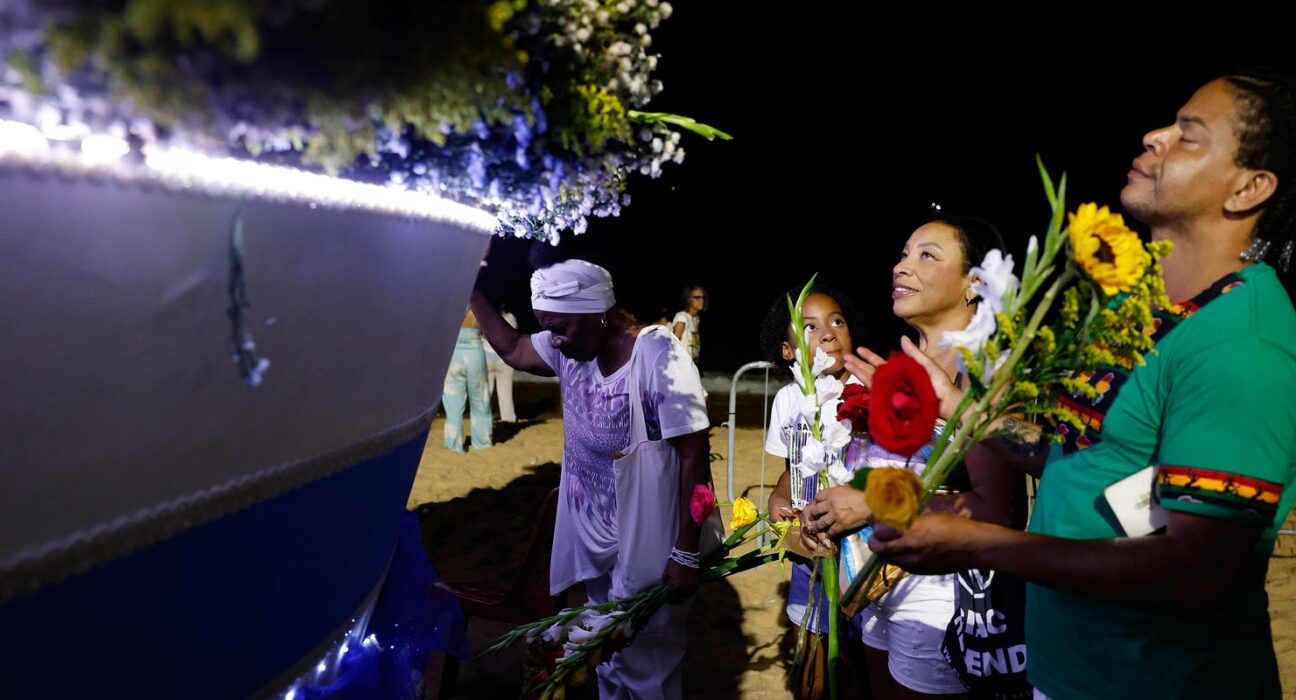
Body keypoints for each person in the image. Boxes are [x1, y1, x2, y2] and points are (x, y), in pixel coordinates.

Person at [864, 71, 1296, 699]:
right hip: (1068, 673)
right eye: (1166, 124)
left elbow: (1197, 571)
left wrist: (982, 543)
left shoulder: (1242, 338)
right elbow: (1082, 462)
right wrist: (965, 412)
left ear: (1248, 188)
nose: (1155, 136)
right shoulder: (1138, 312)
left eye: (1188, 137)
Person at [803, 215, 1028, 698]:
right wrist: (830, 510)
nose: (902, 266)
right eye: (904, 253)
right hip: (875, 583)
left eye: (927, 255)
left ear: (974, 285)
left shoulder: (983, 368)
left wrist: (873, 504)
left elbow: (998, 510)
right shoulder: (900, 365)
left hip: (941, 593)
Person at [470, 259, 712, 699]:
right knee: (604, 654)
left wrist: (686, 552)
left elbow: (696, 459)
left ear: (599, 312)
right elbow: (512, 347)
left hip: (651, 539)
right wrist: (469, 281)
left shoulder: (659, 356)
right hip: (596, 533)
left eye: (560, 328)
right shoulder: (574, 348)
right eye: (548, 329)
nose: (555, 341)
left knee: (646, 663)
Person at [758, 283, 867, 699]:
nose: (827, 332)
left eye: (837, 321)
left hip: (862, 550)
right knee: (814, 648)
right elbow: (792, 467)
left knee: (859, 652)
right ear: (788, 352)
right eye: (809, 327)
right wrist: (777, 498)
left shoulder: (865, 390)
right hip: (810, 548)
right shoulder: (787, 399)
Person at [442, 308, 493, 453]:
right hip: (474, 352)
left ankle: (453, 445)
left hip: (452, 356)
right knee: (480, 402)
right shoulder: (478, 306)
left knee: (452, 405)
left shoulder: (451, 305)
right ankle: (482, 443)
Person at [483, 303, 518, 423]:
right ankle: (508, 419)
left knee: (486, 391)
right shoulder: (510, 317)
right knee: (506, 391)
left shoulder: (485, 317)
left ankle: (483, 418)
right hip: (503, 358)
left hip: (486, 355)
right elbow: (513, 337)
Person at [672, 286, 707, 363]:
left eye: (703, 297)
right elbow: (673, 344)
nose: (701, 300)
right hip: (680, 364)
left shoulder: (696, 318)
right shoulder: (682, 317)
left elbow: (694, 344)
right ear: (689, 299)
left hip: (691, 363)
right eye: (697, 297)